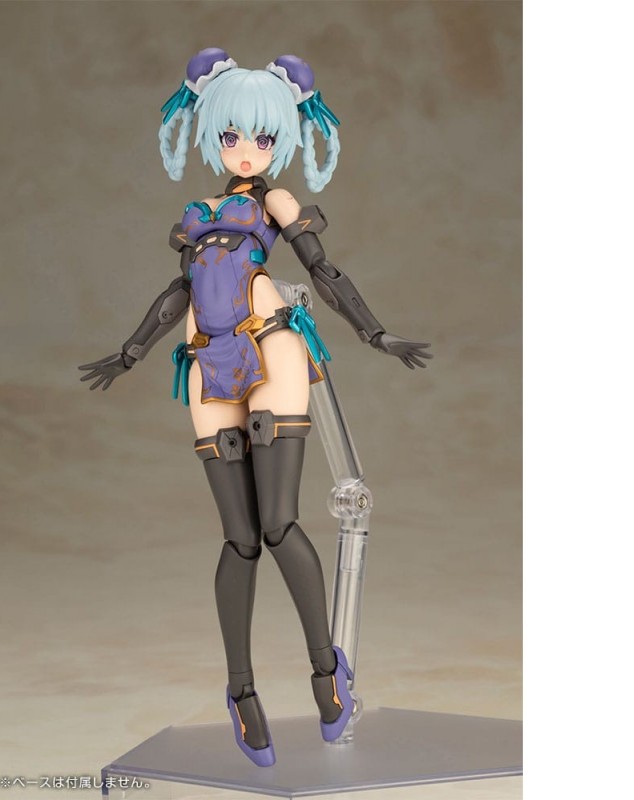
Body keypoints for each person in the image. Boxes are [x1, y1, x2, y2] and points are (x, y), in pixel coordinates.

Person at [79, 48, 431, 767]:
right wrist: (130, 351)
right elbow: (178, 294)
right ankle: (240, 692)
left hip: (270, 347)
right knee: (239, 538)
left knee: (278, 523)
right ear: (211, 133)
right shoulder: (197, 215)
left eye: (263, 137)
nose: (246, 149)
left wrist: (374, 332)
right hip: (206, 364)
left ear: (282, 139)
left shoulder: (275, 203)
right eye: (232, 134)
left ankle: (326, 671)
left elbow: (322, 271)